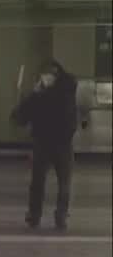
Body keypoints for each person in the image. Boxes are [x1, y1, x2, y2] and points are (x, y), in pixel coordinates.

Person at [12, 59, 79, 230]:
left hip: (61, 144)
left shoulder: (65, 93)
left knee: (63, 183)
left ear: (56, 76)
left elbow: (70, 120)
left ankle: (60, 215)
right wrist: (29, 99)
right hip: (43, 144)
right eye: (44, 75)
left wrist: (35, 96)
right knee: (38, 182)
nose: (46, 78)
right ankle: (35, 215)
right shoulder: (39, 94)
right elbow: (21, 118)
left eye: (49, 75)